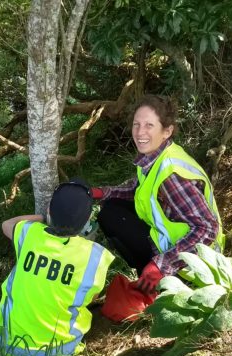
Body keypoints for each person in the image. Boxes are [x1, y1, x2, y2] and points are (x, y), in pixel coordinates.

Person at [90, 94, 224, 295]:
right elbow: (137, 189)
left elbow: (207, 228)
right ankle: (150, 273)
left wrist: (161, 265)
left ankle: (154, 281)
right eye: (136, 124)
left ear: (167, 131)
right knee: (111, 207)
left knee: (112, 217)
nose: (140, 132)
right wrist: (101, 193)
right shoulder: (155, 156)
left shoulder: (172, 175)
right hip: (170, 241)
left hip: (195, 264)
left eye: (149, 125)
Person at [0, 180, 114, 356]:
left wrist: (41, 218)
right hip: (56, 352)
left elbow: (7, 224)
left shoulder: (30, 233)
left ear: (49, 211)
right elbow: (93, 296)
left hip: (5, 343)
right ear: (88, 219)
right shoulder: (95, 256)